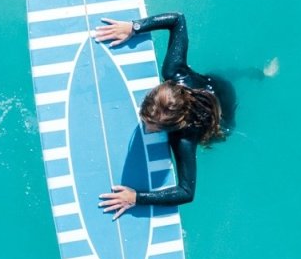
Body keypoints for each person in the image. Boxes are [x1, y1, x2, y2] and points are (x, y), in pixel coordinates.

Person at [94, 12, 237, 218]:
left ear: (173, 126)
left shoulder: (185, 138)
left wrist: (136, 197)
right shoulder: (174, 71)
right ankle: (255, 74)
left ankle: (259, 75)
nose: (146, 127)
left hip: (223, 109)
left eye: (153, 126)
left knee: (220, 135)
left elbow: (186, 192)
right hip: (213, 84)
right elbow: (177, 19)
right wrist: (134, 27)